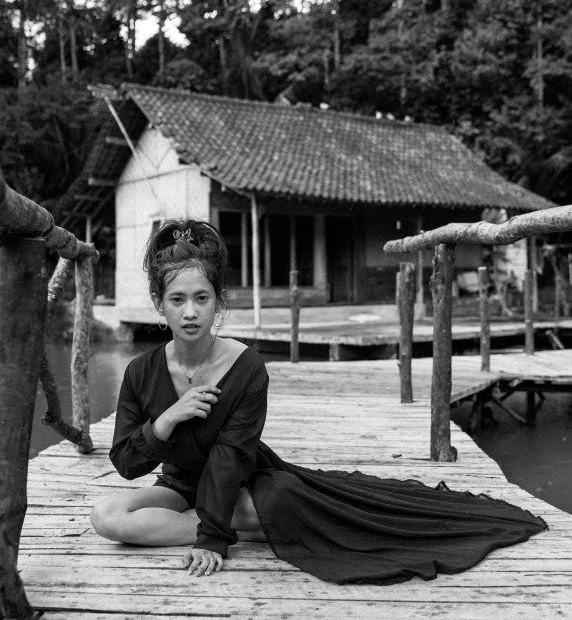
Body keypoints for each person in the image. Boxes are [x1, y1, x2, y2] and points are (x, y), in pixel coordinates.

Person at [91, 219, 547, 585]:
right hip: (179, 485)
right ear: (159, 304)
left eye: (201, 298)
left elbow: (230, 457)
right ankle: (253, 526)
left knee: (283, 497)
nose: (190, 312)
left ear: (218, 301)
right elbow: (127, 462)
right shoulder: (140, 372)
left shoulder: (246, 367)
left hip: (246, 485)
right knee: (106, 516)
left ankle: (247, 521)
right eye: (177, 299)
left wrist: (211, 537)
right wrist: (166, 421)